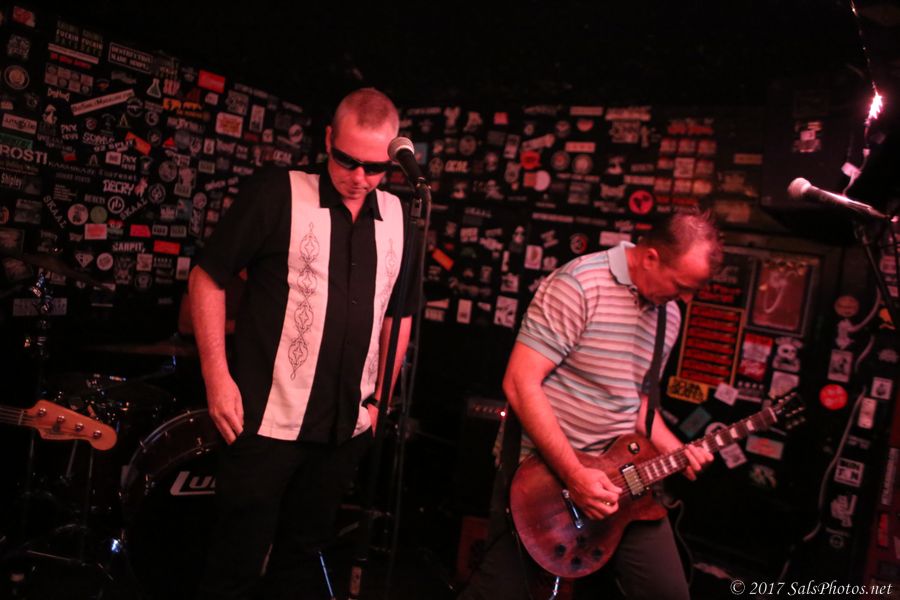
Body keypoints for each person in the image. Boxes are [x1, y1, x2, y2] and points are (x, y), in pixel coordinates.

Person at [189, 87, 419, 600]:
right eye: (347, 160)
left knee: (301, 562)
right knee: (234, 564)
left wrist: (381, 400)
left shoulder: (401, 217)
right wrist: (217, 377)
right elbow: (207, 277)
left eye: (375, 168)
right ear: (328, 139)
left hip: (344, 426)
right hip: (264, 420)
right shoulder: (277, 192)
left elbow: (399, 313)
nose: (359, 177)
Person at [460, 211, 723, 600]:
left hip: (625, 481)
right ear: (650, 258)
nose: (685, 298)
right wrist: (575, 474)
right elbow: (519, 382)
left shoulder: (668, 315)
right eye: (681, 285)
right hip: (545, 481)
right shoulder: (579, 284)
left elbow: (637, 400)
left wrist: (675, 449)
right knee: (504, 591)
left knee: (666, 591)